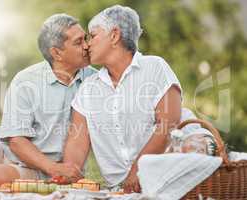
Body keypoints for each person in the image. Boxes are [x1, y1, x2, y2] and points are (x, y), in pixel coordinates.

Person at [0, 13, 95, 187]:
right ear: (56, 53)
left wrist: (58, 169)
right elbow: (15, 140)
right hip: (8, 147)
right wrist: (52, 168)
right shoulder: (26, 80)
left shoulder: (94, 81)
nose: (87, 46)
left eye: (86, 39)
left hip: (43, 168)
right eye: (78, 42)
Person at [61, 5, 184, 193]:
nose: (86, 45)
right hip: (117, 192)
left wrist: (137, 170)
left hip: (165, 183)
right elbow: (77, 141)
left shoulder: (155, 68)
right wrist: (69, 174)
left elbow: (168, 125)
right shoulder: (88, 88)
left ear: (114, 35)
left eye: (92, 36)